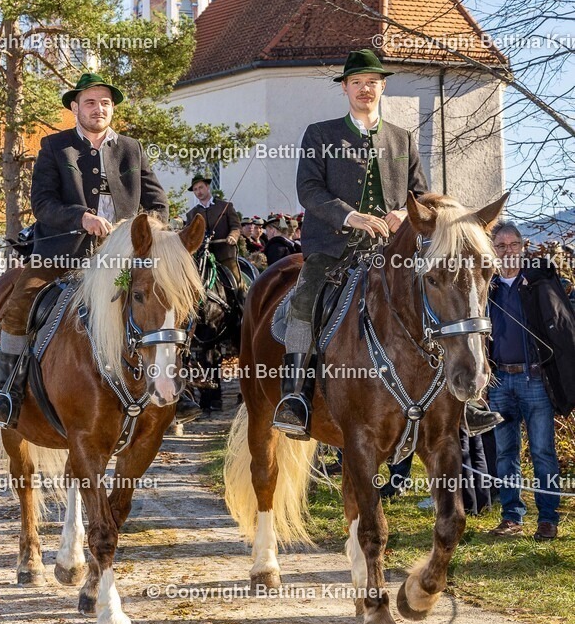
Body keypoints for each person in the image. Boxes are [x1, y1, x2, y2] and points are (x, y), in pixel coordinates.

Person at [273, 47, 502, 440]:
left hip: (393, 252)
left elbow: (423, 195)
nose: (365, 89)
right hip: (334, 248)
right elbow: (308, 190)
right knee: (307, 296)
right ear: (345, 88)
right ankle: (295, 397)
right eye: (357, 83)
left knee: (450, 295)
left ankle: (465, 400)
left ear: (383, 88)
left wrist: (401, 211)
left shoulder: (402, 138)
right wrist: (351, 215)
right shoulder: (321, 134)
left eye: (373, 83)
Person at [0, 72, 169, 429]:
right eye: (90, 102)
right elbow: (43, 203)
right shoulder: (55, 147)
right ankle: (7, 393)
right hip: (62, 255)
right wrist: (80, 217)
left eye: (105, 103)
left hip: (122, 257)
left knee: (169, 299)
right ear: (75, 107)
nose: (99, 109)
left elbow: (157, 202)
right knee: (20, 302)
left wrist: (143, 230)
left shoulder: (131, 148)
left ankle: (172, 387)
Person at [487, 221, 574, 540]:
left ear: (522, 247)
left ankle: (548, 519)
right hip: (499, 382)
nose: (507, 251)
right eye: (501, 246)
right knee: (505, 453)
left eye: (513, 245)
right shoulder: (488, 287)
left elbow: (564, 320)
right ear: (493, 251)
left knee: (542, 452)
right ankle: (512, 517)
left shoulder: (538, 282)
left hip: (534, 380)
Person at [185, 175, 244, 291]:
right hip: (202, 258)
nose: (198, 192)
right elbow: (188, 235)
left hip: (225, 255)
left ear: (207, 187)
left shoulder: (225, 206)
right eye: (195, 189)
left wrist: (232, 236)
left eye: (200, 187)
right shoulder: (192, 214)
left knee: (238, 285)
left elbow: (236, 227)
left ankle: (244, 304)